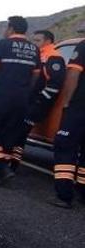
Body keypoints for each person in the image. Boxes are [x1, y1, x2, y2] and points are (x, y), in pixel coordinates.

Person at [0, 16, 41, 185]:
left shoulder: (2, 45)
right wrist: (25, 91)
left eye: (6, 28)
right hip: (22, 99)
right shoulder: (34, 49)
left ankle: (2, 168)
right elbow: (36, 75)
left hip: (0, 96)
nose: (4, 31)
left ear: (11, 29)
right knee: (8, 134)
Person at [9, 30, 66, 170]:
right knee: (17, 134)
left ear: (47, 41)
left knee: (19, 134)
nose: (34, 43)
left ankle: (11, 166)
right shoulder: (39, 55)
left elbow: (55, 85)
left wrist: (39, 101)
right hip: (28, 102)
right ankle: (10, 163)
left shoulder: (53, 57)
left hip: (37, 105)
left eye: (37, 40)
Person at [52, 38, 85, 208]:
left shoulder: (83, 46)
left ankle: (64, 196)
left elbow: (73, 74)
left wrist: (66, 101)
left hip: (80, 107)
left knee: (65, 147)